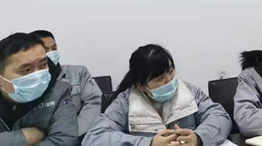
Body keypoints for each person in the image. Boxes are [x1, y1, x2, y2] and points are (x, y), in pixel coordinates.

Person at [83, 44, 231, 146]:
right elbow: (94, 138)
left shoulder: (189, 91)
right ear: (141, 86)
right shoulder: (124, 103)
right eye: (160, 78)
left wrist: (199, 137)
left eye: (171, 71)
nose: (170, 81)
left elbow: (220, 116)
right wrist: (150, 143)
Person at [0, 33, 78, 145]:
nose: (38, 76)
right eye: (27, 70)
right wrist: (23, 137)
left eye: (43, 65)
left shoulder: (60, 93)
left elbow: (64, 141)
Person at [31, 30, 102, 139]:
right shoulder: (28, 83)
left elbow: (94, 102)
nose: (52, 53)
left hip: (79, 135)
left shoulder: (79, 72)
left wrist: (72, 134)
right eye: (46, 50)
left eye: (54, 48)